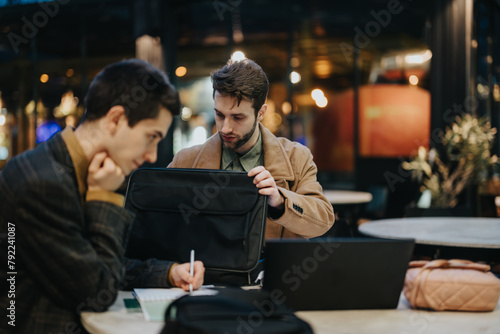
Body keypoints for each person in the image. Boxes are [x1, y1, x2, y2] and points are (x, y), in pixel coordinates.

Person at [0, 59, 204, 334]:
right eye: (151, 137)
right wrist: (104, 198)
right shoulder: (41, 182)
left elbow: (99, 261)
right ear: (116, 119)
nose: (152, 155)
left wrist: (167, 273)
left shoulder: (84, 170)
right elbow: (98, 292)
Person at [169, 59, 334, 240]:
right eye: (219, 115)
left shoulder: (297, 157)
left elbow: (322, 221)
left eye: (238, 117)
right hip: (206, 268)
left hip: (273, 268)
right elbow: (161, 224)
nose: (225, 128)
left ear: (261, 113)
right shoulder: (185, 160)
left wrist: (280, 201)